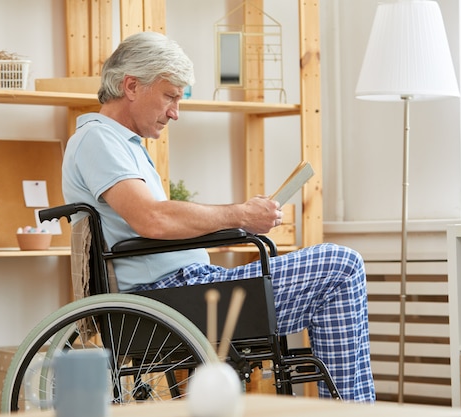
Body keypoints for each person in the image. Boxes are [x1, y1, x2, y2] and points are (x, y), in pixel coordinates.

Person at [62, 31, 375, 402]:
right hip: (170, 300)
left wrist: (238, 219)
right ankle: (351, 408)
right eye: (170, 96)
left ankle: (348, 406)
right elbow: (152, 219)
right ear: (131, 86)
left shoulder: (121, 144)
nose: (175, 112)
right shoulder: (99, 140)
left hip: (186, 290)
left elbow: (155, 220)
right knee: (341, 265)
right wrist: (240, 215)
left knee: (336, 278)